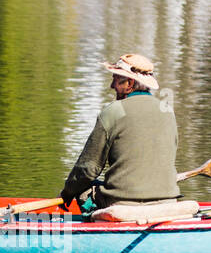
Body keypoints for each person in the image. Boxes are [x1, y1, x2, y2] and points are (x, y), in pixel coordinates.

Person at [59, 54, 180, 214]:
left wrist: (67, 193)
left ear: (129, 83)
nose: (111, 85)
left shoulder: (113, 112)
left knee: (83, 187)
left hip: (121, 203)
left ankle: (94, 224)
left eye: (116, 79)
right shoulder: (167, 111)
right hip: (168, 199)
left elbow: (87, 169)